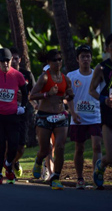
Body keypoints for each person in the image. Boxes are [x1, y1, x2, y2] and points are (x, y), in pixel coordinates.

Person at [29, 49, 75, 190]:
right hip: (44, 116)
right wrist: (47, 94)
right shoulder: (44, 77)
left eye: (60, 59)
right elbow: (32, 96)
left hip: (61, 116)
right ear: (49, 62)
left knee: (60, 147)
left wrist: (70, 95)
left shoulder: (65, 79)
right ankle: (38, 160)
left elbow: (69, 95)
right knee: (45, 149)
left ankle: (56, 177)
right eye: (54, 60)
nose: (58, 62)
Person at [0, 48, 28, 185]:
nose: (5, 63)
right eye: (3, 61)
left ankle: (9, 163)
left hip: (12, 115)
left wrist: (23, 106)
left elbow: (25, 92)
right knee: (0, 145)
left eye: (8, 61)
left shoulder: (18, 75)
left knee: (14, 144)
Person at [67, 44, 102, 189]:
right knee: (79, 148)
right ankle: (80, 178)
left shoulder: (98, 75)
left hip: (96, 116)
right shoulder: (71, 76)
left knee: (96, 146)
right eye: (83, 57)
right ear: (77, 59)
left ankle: (97, 175)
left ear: (91, 58)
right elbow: (68, 97)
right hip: (78, 118)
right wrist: (73, 113)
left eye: (88, 56)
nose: (86, 59)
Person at [9, 47, 36, 178]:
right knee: (9, 143)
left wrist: (25, 97)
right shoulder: (4, 74)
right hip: (8, 113)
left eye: (16, 58)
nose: (14, 61)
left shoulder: (27, 75)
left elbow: (35, 94)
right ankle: (8, 169)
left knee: (21, 147)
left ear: (19, 59)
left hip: (23, 113)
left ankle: (13, 162)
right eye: (11, 58)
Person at [90, 33, 112, 189]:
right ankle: (101, 165)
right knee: (110, 156)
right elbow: (92, 90)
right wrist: (104, 99)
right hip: (108, 114)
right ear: (107, 48)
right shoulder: (102, 67)